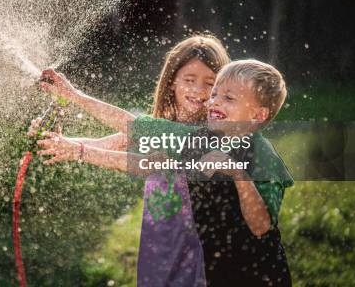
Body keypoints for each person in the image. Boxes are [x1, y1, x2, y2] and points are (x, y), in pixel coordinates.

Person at [36, 59, 293, 286]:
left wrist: (238, 175)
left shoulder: (263, 156)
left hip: (260, 276)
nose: (214, 101)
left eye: (229, 97)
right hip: (216, 273)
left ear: (258, 115)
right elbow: (138, 132)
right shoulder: (198, 139)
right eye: (215, 94)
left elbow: (260, 227)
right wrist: (75, 106)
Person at [34, 34, 230, 286]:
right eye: (189, 80)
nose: (197, 90)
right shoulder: (163, 127)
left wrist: (76, 99)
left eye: (209, 83)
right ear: (172, 82)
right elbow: (115, 141)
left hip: (197, 252)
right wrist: (57, 141)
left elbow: (136, 152)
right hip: (159, 246)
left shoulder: (212, 136)